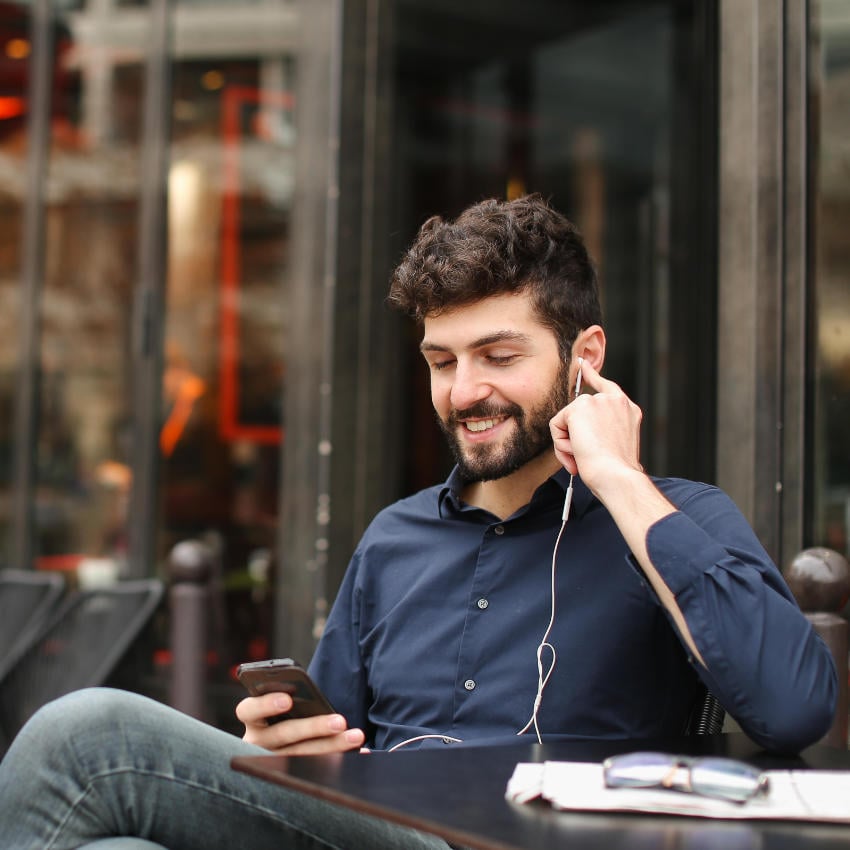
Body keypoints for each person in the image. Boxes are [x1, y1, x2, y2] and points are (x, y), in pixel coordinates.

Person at [0, 194, 836, 850]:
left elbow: (794, 708)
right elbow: (325, 757)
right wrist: (286, 741)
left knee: (86, 732)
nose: (463, 391)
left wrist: (617, 477)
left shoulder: (673, 518)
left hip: (528, 839)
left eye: (499, 357)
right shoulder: (395, 538)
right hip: (368, 832)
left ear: (586, 358)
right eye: (442, 362)